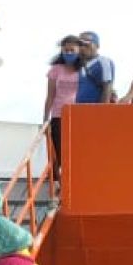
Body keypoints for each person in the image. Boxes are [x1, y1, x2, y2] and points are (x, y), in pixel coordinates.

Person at [44, 35, 82, 173]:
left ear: (79, 50)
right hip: (58, 114)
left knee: (77, 149)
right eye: (66, 50)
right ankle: (59, 181)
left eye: (72, 50)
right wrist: (45, 119)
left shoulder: (84, 69)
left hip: (78, 114)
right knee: (59, 150)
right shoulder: (56, 69)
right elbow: (50, 95)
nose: (69, 53)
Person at [74, 31, 114, 105]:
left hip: (95, 109)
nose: (83, 47)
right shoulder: (80, 64)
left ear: (97, 45)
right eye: (80, 44)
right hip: (79, 108)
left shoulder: (103, 61)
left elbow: (107, 87)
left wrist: (102, 111)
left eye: (86, 44)